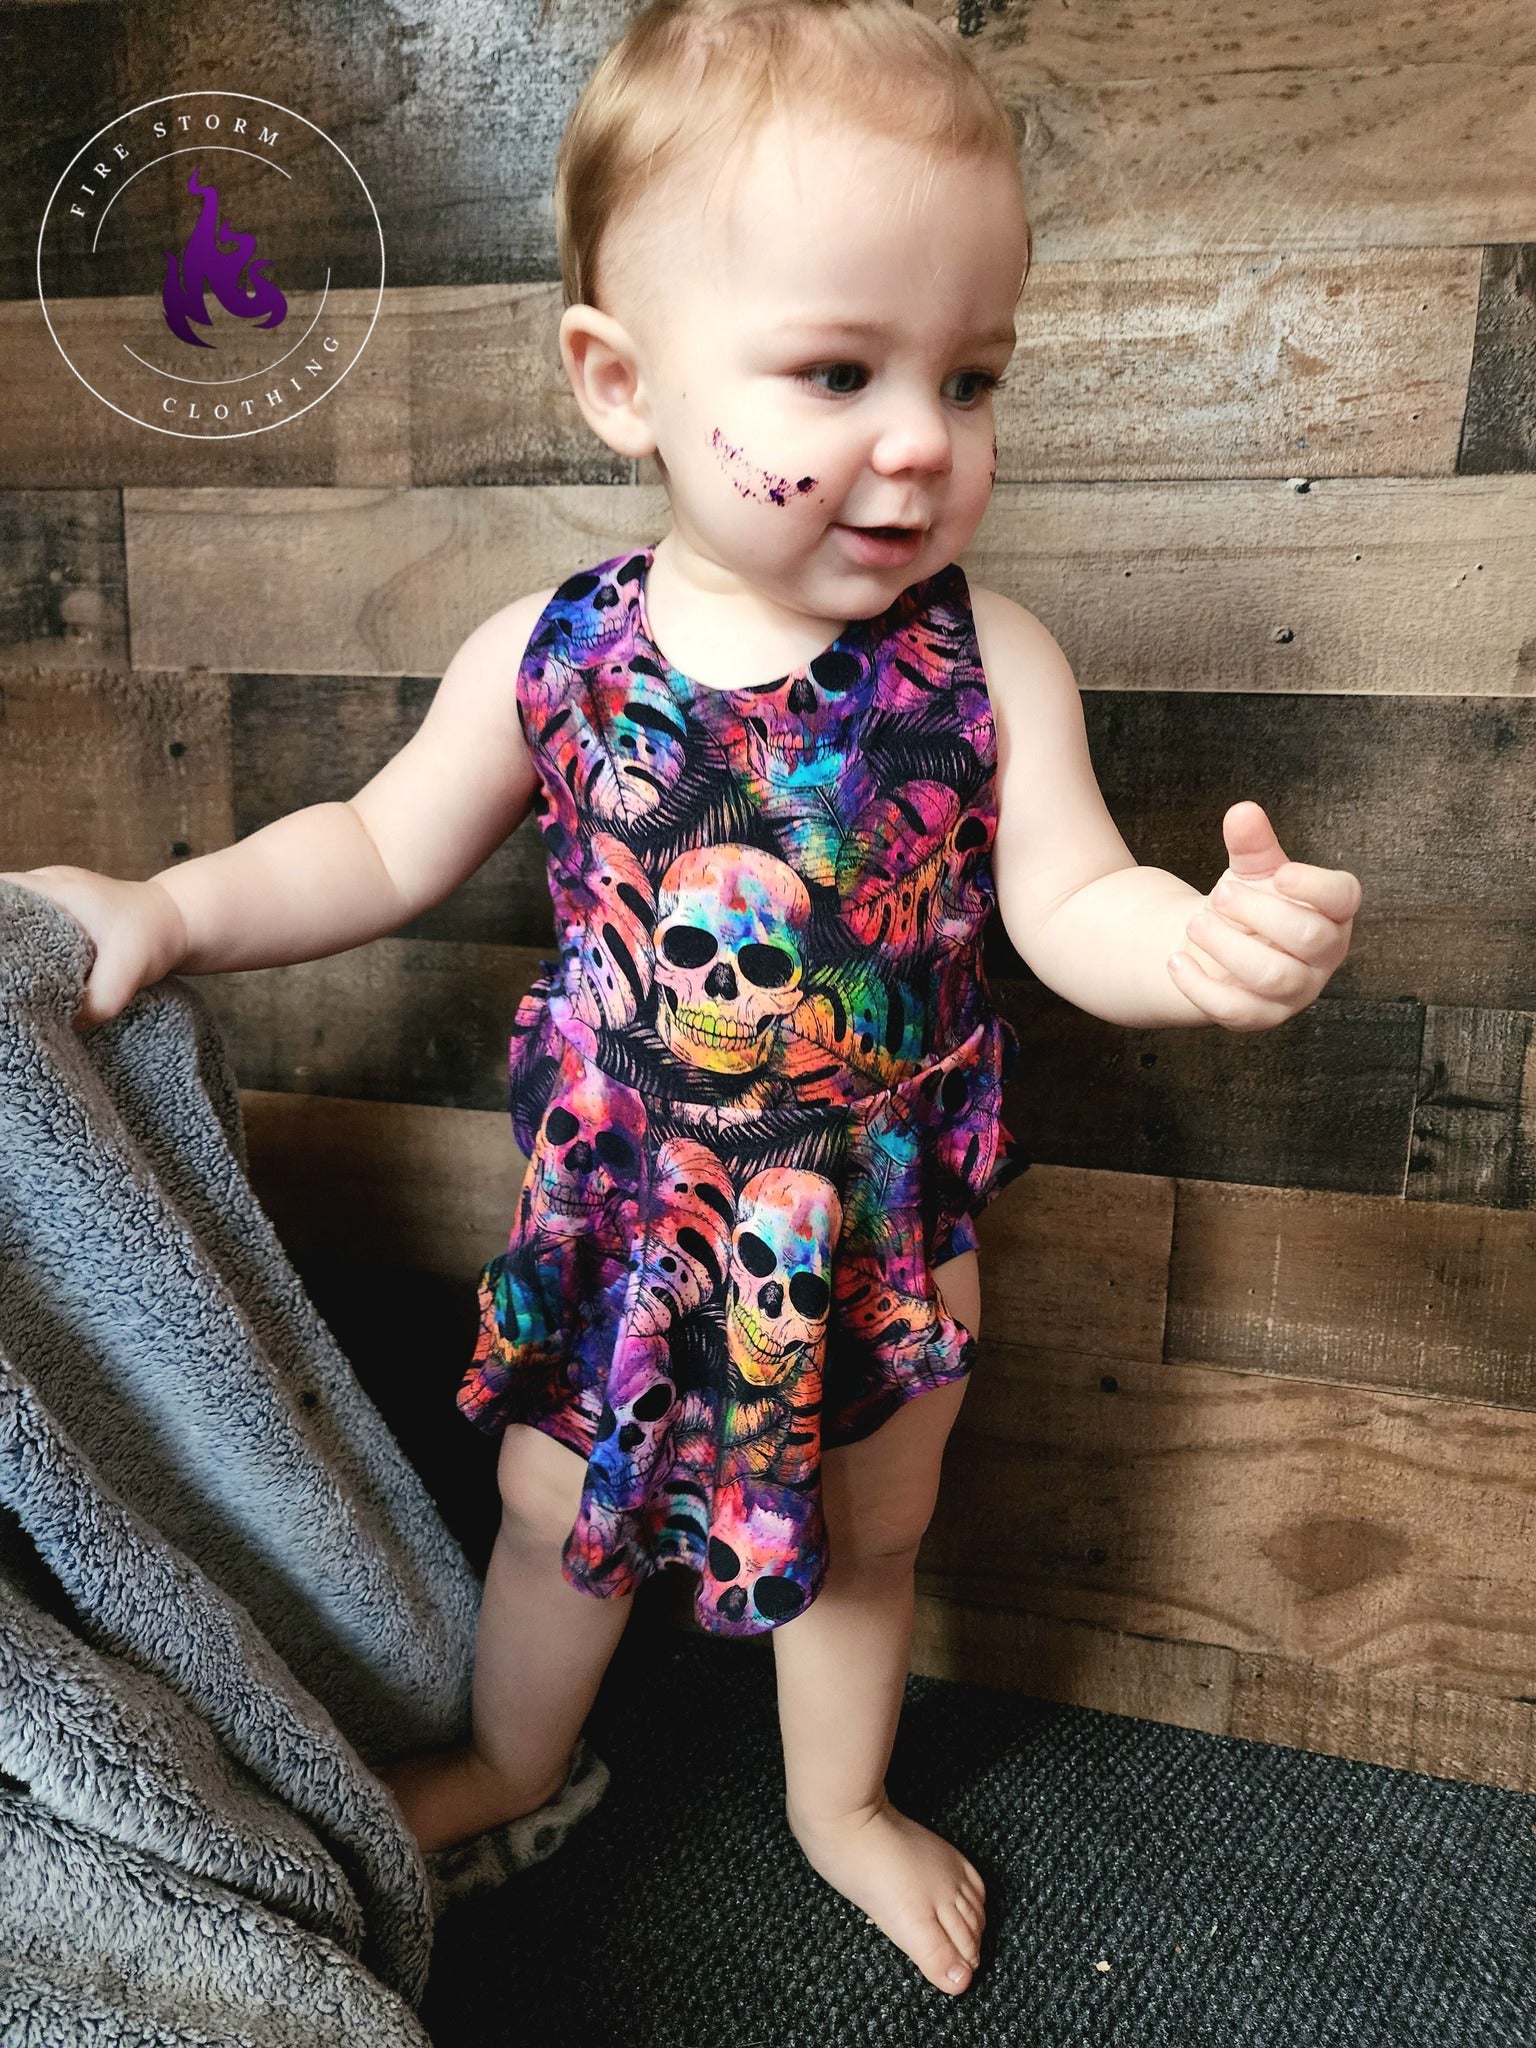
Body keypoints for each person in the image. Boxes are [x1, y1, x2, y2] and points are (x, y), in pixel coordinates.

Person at [2, 0, 1362, 1998]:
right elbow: (375, 846)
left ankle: (837, 1803)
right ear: (621, 382)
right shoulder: (553, 656)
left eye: (969, 376)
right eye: (839, 371)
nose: (925, 438)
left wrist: (1197, 949)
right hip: (623, 1235)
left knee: (868, 1539)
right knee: (554, 1513)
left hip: (872, 1245)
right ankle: (510, 1755)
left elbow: (1072, 896)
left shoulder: (992, 663)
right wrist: (171, 906)